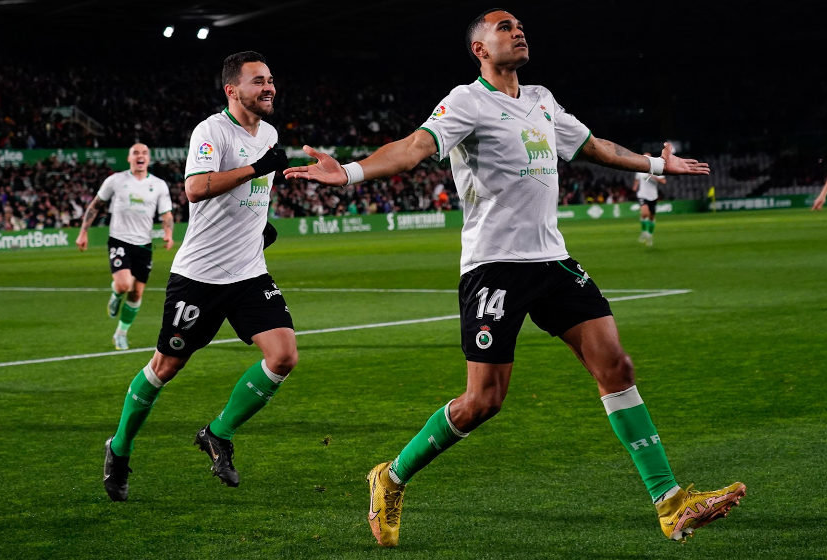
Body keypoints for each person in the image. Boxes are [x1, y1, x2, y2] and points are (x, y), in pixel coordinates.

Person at [284, 8, 745, 547]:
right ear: (479, 48)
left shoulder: (542, 99)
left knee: (615, 364)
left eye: (519, 24)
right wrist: (353, 171)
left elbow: (593, 146)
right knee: (483, 401)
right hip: (494, 267)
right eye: (503, 27)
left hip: (551, 260)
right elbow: (414, 149)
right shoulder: (466, 101)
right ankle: (390, 476)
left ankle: (669, 503)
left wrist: (658, 165)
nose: (517, 30)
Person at [102, 51, 295, 501]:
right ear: (233, 90)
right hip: (200, 276)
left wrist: (259, 225)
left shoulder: (267, 132)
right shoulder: (211, 131)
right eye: (258, 81)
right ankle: (120, 447)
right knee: (164, 368)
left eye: (270, 79)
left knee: (283, 356)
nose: (268, 88)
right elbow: (196, 188)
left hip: (249, 272)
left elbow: (251, 193)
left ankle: (219, 433)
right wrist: (258, 168)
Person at [76, 143, 174, 350]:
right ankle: (115, 293)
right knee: (123, 284)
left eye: (144, 153)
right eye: (136, 153)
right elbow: (95, 205)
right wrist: (83, 232)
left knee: (136, 293)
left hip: (144, 245)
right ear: (129, 158)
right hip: (119, 239)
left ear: (148, 159)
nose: (140, 156)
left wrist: (168, 234)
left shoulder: (159, 185)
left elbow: (166, 214)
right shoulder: (115, 180)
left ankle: (121, 333)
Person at [633, 153, 667, 246]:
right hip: (642, 195)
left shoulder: (656, 169)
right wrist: (635, 186)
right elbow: (637, 179)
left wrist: (653, 176)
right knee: (645, 213)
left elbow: (664, 181)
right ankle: (644, 232)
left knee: (651, 217)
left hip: (653, 196)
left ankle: (649, 235)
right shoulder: (639, 169)